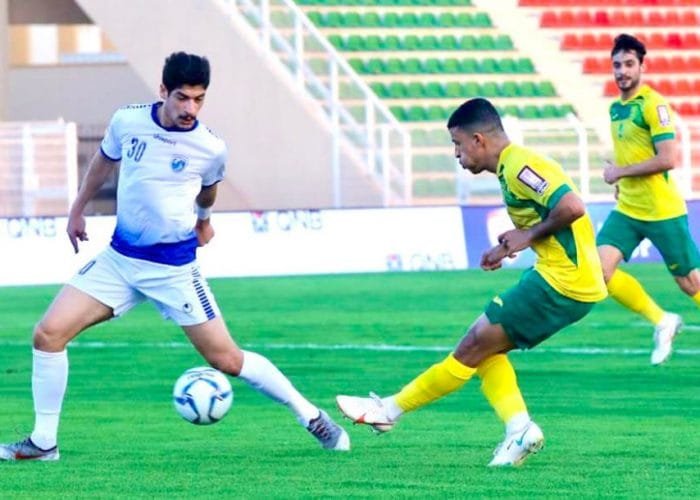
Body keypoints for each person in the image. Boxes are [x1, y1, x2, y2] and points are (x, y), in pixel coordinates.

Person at [0, 52, 349, 461]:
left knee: (227, 359)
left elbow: (209, 188)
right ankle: (44, 443)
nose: (190, 109)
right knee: (48, 334)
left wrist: (204, 220)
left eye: (199, 100)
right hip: (120, 260)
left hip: (174, 270)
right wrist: (77, 209)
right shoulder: (127, 121)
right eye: (183, 98)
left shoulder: (210, 147)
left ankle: (312, 417)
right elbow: (103, 162)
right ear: (163, 91)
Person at [337, 98, 607, 466]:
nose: (456, 154)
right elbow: (550, 216)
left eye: (457, 144)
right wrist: (509, 245)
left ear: (478, 140)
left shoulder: (520, 165)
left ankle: (388, 410)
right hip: (563, 280)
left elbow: (573, 207)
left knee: (472, 345)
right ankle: (519, 429)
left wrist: (527, 236)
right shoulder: (510, 168)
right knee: (486, 350)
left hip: (562, 283)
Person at [597, 33, 700, 365]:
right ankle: (662, 321)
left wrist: (620, 171)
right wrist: (620, 180)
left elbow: (667, 158)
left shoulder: (654, 105)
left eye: (629, 64)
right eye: (617, 65)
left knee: (690, 282)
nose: (622, 71)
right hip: (628, 209)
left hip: (661, 210)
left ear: (642, 66)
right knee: (599, 271)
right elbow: (632, 151)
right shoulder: (616, 109)